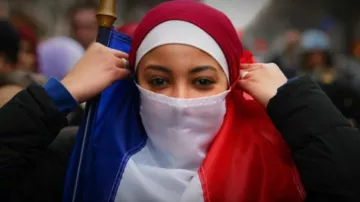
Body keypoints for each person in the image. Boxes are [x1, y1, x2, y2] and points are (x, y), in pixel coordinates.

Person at [0, 1, 359, 202]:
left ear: (233, 83)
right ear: (134, 81)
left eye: (203, 81)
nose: (181, 101)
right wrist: (62, 93)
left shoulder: (282, 159)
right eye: (158, 80)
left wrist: (295, 102)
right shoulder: (79, 156)